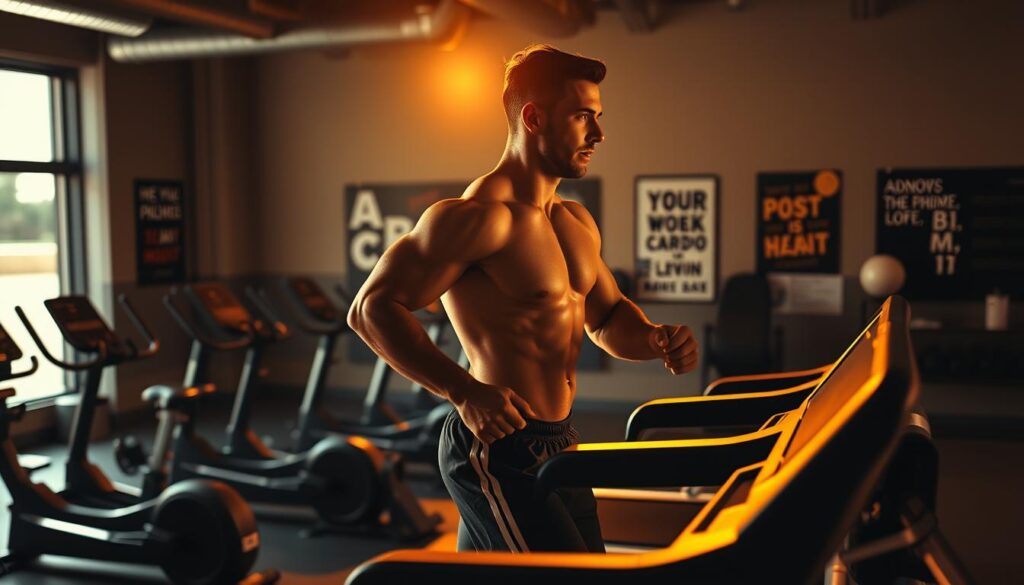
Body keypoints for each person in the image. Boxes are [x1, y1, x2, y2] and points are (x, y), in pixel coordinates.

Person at [347, 44, 699, 553]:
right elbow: (370, 309)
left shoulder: (575, 222)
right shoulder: (479, 217)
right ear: (533, 118)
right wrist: (463, 391)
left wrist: (654, 338)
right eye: (582, 117)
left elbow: (606, 319)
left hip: (561, 441)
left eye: (598, 117)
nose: (598, 134)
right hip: (499, 447)